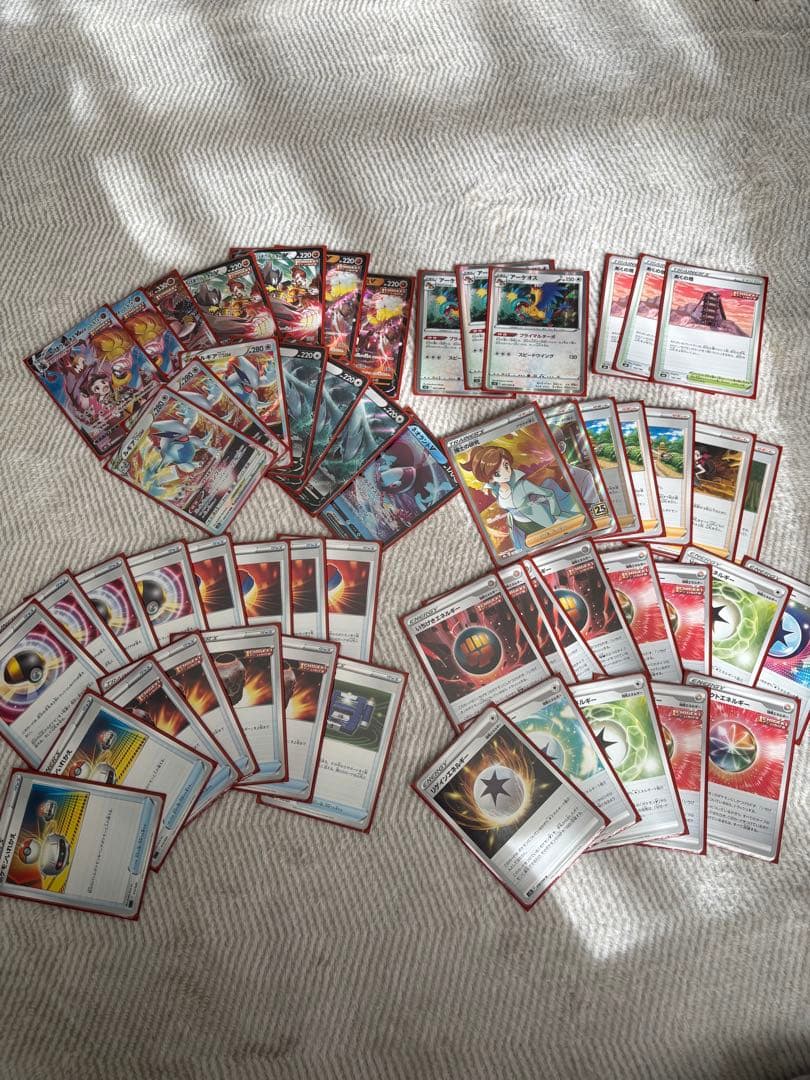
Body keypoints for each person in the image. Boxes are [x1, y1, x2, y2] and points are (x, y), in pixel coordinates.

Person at [459, 443, 575, 549]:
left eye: (506, 465)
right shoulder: (496, 491)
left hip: (540, 519)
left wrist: (556, 514)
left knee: (559, 543)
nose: (506, 473)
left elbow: (549, 494)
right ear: (490, 478)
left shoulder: (522, 485)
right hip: (521, 526)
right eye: (497, 473)